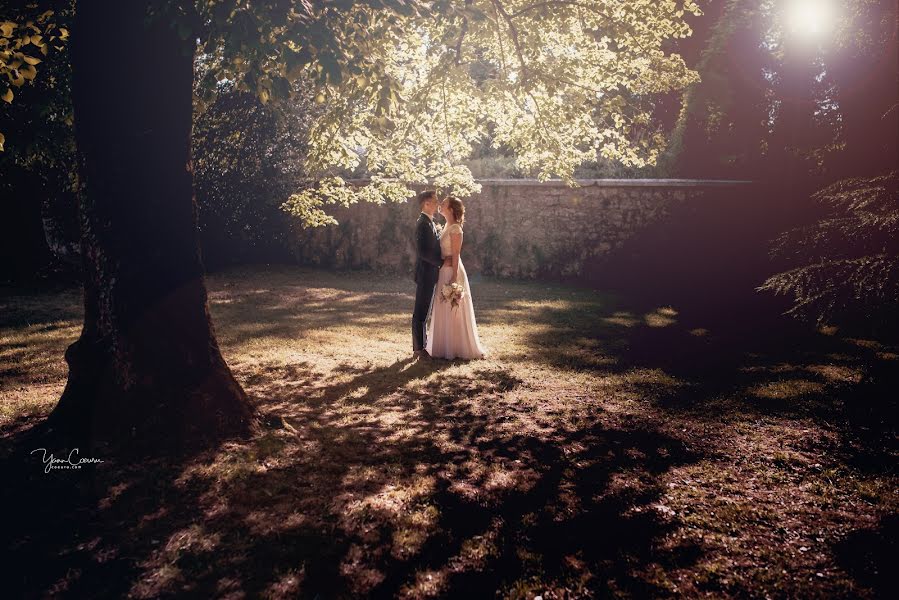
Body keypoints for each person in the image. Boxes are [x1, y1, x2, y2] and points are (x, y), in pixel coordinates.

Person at [426, 196, 487, 360]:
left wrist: (454, 278)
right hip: (442, 271)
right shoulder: (446, 226)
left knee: (454, 308)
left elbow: (456, 254)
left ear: (451, 209)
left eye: (444, 204)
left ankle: (457, 347)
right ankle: (442, 346)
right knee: (442, 305)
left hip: (452, 271)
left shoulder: (455, 229)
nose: (440, 205)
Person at [412, 190, 442, 358]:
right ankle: (418, 349)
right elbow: (423, 252)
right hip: (425, 273)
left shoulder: (430, 222)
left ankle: (423, 345)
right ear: (426, 203)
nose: (438, 203)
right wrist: (441, 262)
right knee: (421, 311)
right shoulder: (422, 223)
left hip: (431, 273)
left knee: (426, 310)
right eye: (435, 200)